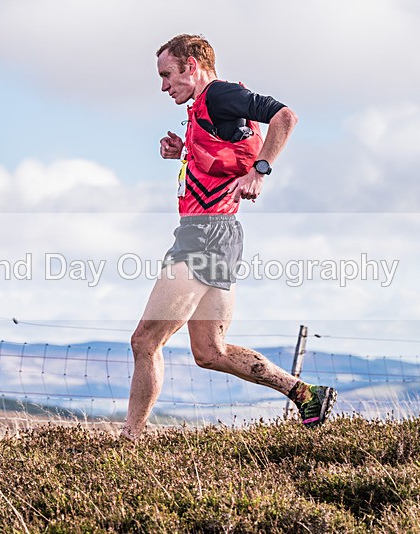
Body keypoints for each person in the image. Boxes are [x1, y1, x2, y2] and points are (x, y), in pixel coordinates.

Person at [121, 34, 336, 440]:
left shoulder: (219, 95)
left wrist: (261, 171)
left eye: (167, 74)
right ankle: (305, 394)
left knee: (144, 341)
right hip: (220, 236)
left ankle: (130, 440)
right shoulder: (207, 108)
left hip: (204, 236)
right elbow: (225, 152)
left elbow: (285, 117)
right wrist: (183, 151)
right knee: (210, 352)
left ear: (191, 65)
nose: (163, 86)